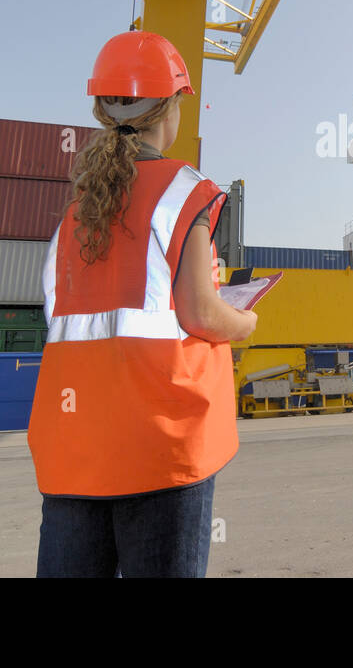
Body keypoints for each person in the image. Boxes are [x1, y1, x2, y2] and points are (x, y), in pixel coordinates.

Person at [28, 28, 257, 577]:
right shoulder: (184, 190)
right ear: (171, 105)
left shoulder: (75, 213)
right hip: (159, 447)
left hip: (74, 449)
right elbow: (201, 312)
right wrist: (246, 319)